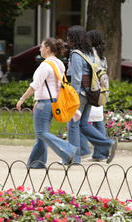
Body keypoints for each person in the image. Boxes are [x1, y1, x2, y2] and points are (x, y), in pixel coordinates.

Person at [16, 38, 78, 168]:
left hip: (44, 103)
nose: (40, 49)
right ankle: (36, 163)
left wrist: (22, 99)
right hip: (54, 102)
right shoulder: (59, 64)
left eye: (41, 47)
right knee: (41, 134)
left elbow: (35, 85)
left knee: (41, 133)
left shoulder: (45, 65)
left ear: (48, 48)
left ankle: (67, 150)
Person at [66, 25, 117, 165]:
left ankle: (74, 158)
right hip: (90, 94)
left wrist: (73, 99)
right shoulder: (89, 53)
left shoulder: (76, 54)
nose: (67, 39)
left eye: (69, 36)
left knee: (73, 125)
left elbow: (76, 79)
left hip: (80, 95)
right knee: (82, 123)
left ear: (74, 38)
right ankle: (107, 143)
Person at [80, 30, 109, 161]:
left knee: (83, 122)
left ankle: (88, 150)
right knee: (98, 121)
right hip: (100, 91)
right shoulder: (102, 55)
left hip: (92, 90)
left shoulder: (91, 54)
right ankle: (100, 153)